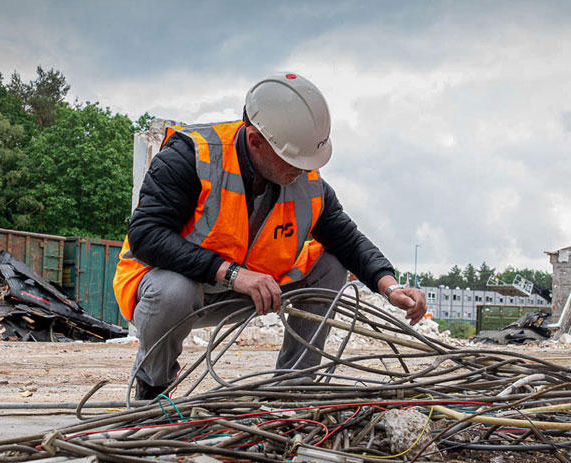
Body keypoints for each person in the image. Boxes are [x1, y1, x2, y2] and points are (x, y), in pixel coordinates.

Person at [113, 72, 428, 400]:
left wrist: (390, 287)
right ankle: (154, 386)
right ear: (255, 141)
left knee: (330, 263)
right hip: (180, 289)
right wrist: (234, 274)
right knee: (172, 290)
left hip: (256, 290)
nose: (303, 170)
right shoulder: (192, 157)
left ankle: (292, 389)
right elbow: (146, 235)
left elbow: (348, 240)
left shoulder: (306, 182)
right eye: (294, 160)